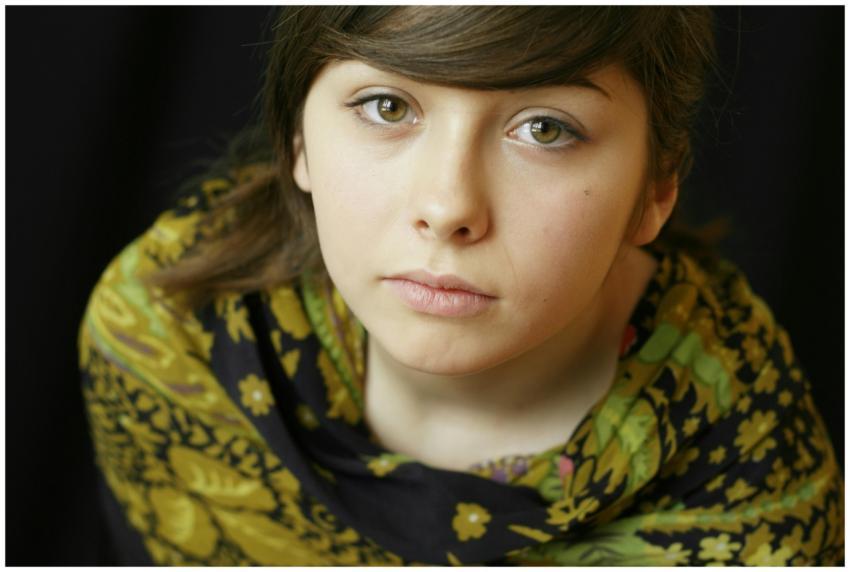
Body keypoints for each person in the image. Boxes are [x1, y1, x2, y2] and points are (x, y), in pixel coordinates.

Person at [78, 6, 844, 565]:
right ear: (298, 142)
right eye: (387, 107)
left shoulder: (749, 489)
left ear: (658, 186)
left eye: (545, 128)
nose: (448, 208)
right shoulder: (169, 341)